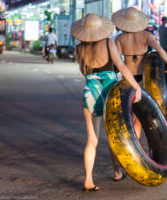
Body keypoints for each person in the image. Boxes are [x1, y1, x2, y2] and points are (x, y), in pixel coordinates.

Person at [71, 13, 142, 192]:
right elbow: (122, 67)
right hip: (109, 93)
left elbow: (84, 71)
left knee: (92, 139)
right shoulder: (109, 42)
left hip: (90, 93)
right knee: (113, 136)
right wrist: (136, 87)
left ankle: (88, 179)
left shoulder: (79, 49)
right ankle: (118, 171)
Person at [111, 7, 167, 180]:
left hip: (125, 82)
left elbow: (116, 62)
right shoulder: (146, 36)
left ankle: (118, 168)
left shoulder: (120, 38)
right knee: (136, 122)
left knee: (123, 121)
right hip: (141, 84)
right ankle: (132, 152)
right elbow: (160, 50)